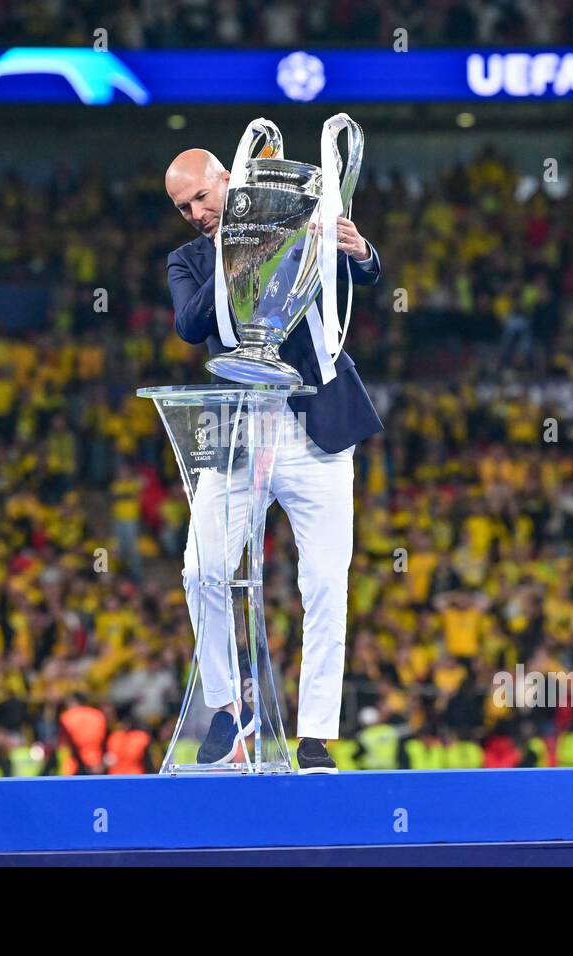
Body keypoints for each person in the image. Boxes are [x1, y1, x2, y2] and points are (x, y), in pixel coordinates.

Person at [164, 147, 383, 773]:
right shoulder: (188, 260)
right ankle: (229, 710)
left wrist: (358, 248)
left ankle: (315, 734)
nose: (196, 214)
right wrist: (239, 248)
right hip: (239, 433)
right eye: (183, 209)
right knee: (200, 569)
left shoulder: (303, 216)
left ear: (226, 180)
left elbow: (365, 276)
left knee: (323, 582)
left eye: (202, 198)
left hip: (317, 428)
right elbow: (189, 323)